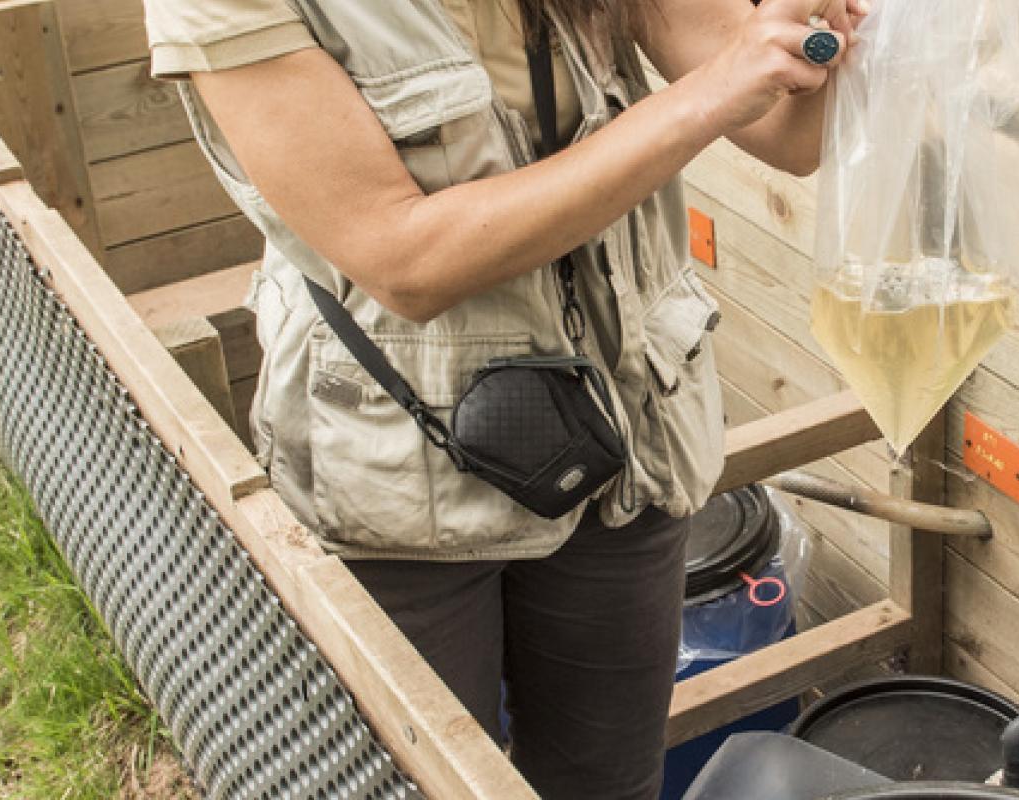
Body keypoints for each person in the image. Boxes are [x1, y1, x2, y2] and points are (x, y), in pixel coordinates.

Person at [140, 0, 864, 795]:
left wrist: (830, 38)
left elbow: (789, 138)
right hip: (402, 482)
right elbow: (405, 258)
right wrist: (712, 91)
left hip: (624, 443)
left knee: (608, 781)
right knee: (428, 783)